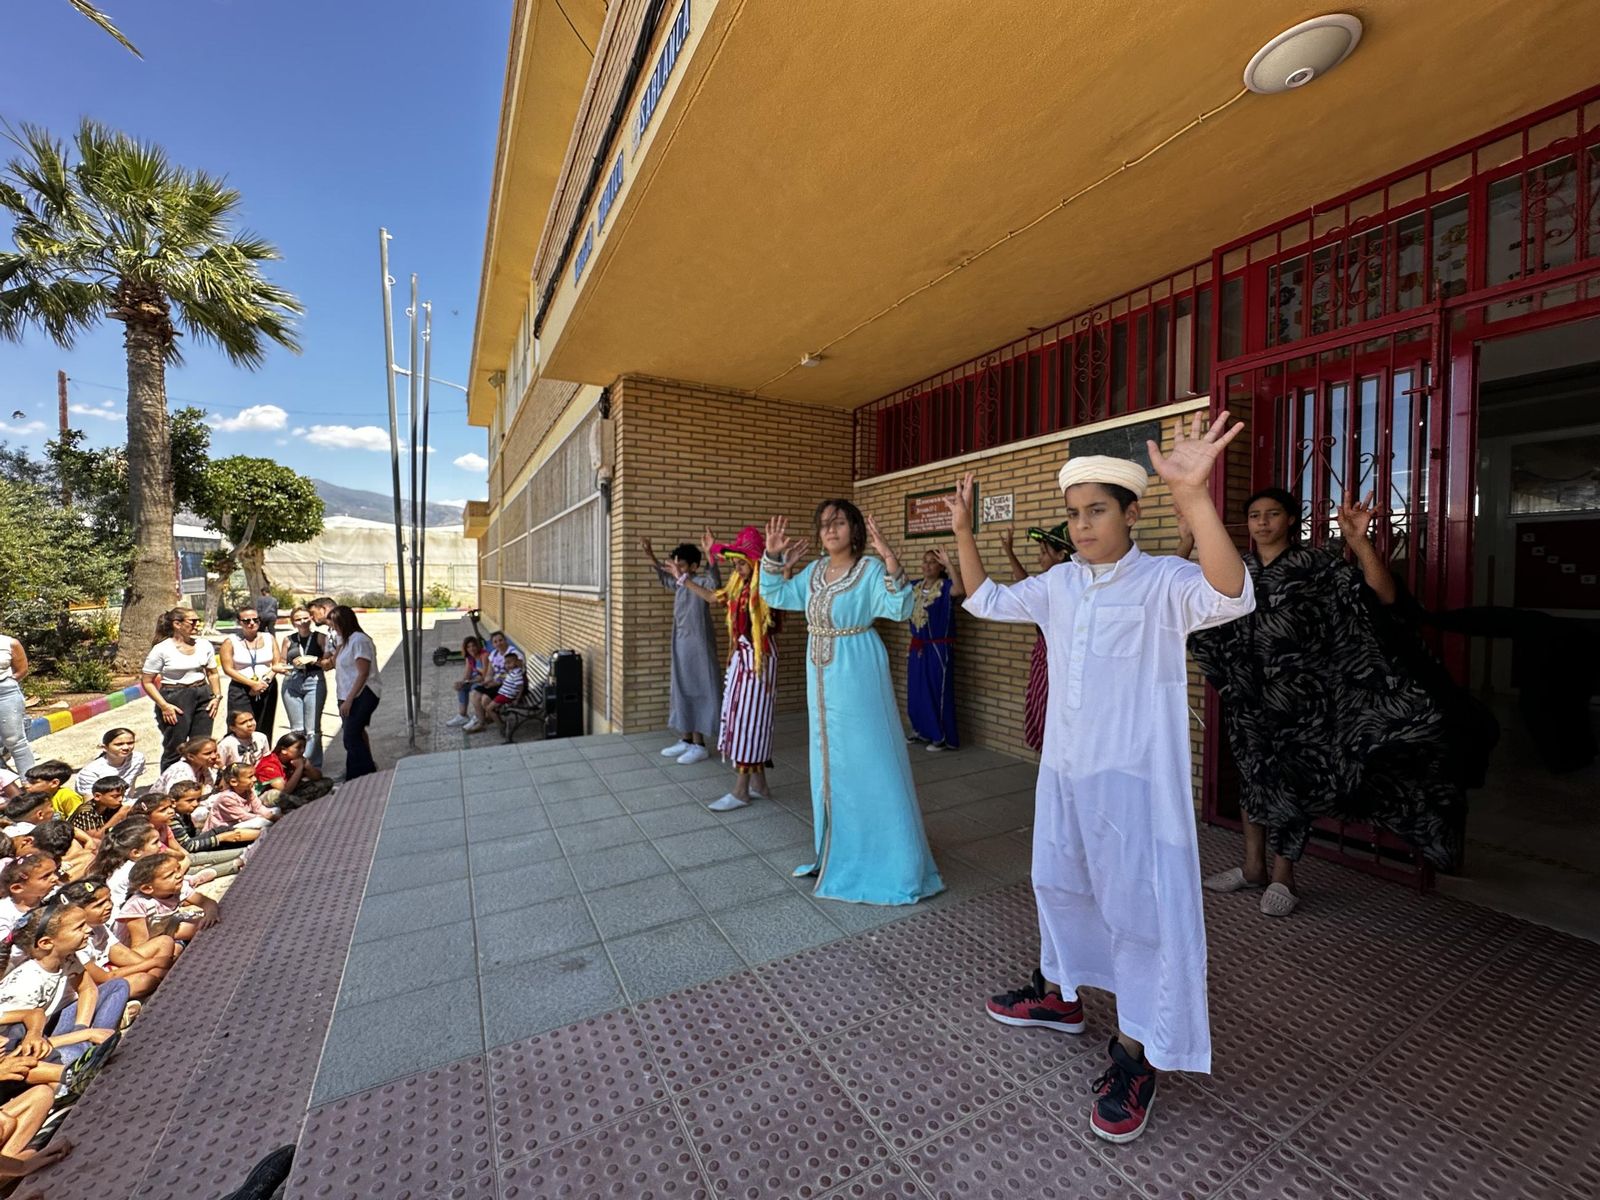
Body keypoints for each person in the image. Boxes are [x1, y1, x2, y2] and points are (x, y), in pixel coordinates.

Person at [951, 412, 1255, 1145]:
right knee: (1059, 883)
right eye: (1073, 512)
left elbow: (1233, 592)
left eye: (1096, 511)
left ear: (1131, 513)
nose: (1082, 525)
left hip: (1134, 785)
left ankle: (1138, 1052)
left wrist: (1196, 499)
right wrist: (962, 531)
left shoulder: (1163, 581)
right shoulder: (1059, 584)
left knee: (1140, 915)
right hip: (1064, 776)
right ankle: (1063, 994)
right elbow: (985, 600)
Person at [1190, 488, 1468, 915]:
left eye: (1272, 514)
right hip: (1248, 696)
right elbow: (1185, 606)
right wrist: (1186, 538)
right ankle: (1251, 868)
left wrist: (1359, 543)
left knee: (1294, 780)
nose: (1262, 522)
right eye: (1255, 515)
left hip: (1304, 698)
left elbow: (1382, 597)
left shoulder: (1316, 566)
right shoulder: (1236, 568)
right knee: (1252, 776)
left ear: (1290, 519)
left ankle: (1283, 876)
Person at [760, 500, 944, 906]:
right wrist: (772, 556)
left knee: (870, 758)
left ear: (854, 528)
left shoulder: (869, 570)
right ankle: (837, 852)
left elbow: (899, 607)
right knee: (829, 761)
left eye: (839, 522)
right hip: (820, 677)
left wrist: (891, 559)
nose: (831, 530)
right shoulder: (812, 573)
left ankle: (892, 860)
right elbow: (774, 594)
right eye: (824, 524)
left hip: (858, 667)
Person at [676, 527, 781, 812]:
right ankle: (759, 785)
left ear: (757, 561)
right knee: (739, 719)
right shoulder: (737, 586)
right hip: (740, 660)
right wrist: (685, 579)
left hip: (759, 662)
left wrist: (777, 562)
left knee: (749, 721)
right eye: (734, 561)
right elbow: (712, 598)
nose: (737, 566)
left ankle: (741, 790)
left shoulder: (767, 585)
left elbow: (778, 586)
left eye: (742, 561)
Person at [0, 902, 128, 1070]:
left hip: (54, 1027)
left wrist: (80, 1028)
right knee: (72, 1054)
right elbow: (21, 1047)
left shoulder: (67, 957)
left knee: (117, 986)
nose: (89, 929)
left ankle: (96, 1045)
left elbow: (87, 989)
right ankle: (90, 1050)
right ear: (46, 943)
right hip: (38, 1045)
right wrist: (85, 1034)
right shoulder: (26, 983)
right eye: (79, 927)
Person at [641, 538, 723, 764]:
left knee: (697, 688)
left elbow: (716, 584)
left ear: (694, 567)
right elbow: (665, 577)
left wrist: (710, 556)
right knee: (682, 687)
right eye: (675, 566)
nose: (677, 571)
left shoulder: (701, 581)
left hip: (699, 645)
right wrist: (651, 556)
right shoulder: (678, 582)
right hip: (680, 642)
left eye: (682, 566)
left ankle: (699, 744)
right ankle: (686, 739)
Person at [998, 523, 1074, 753]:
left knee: (1055, 716)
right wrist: (1009, 552)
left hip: (1061, 662)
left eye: (1044, 552)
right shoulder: (1049, 584)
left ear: (1061, 555)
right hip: (1044, 658)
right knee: (1043, 710)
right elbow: (1025, 586)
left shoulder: (1069, 587)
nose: (1040, 558)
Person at [50, 879, 176, 999]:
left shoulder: (98, 925)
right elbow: (102, 978)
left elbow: (121, 953)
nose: (109, 906)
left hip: (111, 969)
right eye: (99, 905)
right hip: (95, 986)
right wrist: (154, 963)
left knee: (164, 942)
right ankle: (156, 985)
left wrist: (151, 966)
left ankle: (157, 982)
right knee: (144, 981)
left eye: (109, 899)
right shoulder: (73, 943)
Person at [141, 607, 222, 771]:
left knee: (202, 744)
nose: (197, 625)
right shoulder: (162, 649)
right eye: (192, 621)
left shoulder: (204, 645)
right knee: (175, 746)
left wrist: (217, 696)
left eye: (198, 621)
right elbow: (147, 681)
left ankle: (199, 782)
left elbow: (212, 673)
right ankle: (170, 785)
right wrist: (164, 705)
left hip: (202, 694)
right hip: (175, 697)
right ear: (177, 624)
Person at [906, 547, 965, 752]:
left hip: (938, 648)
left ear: (940, 566)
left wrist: (950, 563)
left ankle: (939, 735)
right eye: (925, 561)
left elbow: (961, 590)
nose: (927, 565)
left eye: (932, 562)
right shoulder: (914, 586)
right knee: (916, 689)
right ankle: (920, 730)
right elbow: (894, 586)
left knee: (935, 690)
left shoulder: (946, 586)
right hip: (917, 646)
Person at [115, 852, 219, 948]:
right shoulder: (138, 905)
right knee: (171, 952)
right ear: (147, 888)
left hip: (165, 927)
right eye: (170, 875)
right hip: (139, 942)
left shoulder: (179, 888)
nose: (179, 875)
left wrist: (211, 914)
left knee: (209, 928)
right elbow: (139, 944)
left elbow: (206, 902)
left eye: (178, 869)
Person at [329, 606, 381, 779]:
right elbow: (334, 662)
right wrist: (338, 641)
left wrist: (350, 700)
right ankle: (363, 769)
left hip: (362, 694)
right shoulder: (345, 641)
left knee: (350, 737)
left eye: (335, 625)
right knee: (355, 734)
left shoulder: (359, 640)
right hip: (345, 693)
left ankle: (360, 773)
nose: (333, 629)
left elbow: (363, 672)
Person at [168, 780, 259, 872]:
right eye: (190, 800)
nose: (195, 804)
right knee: (220, 833)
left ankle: (259, 837)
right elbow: (187, 846)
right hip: (185, 851)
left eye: (198, 800)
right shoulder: (172, 819)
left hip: (191, 845)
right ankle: (260, 837)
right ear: (174, 802)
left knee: (223, 835)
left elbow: (194, 834)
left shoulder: (184, 813)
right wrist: (220, 838)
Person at [220, 606, 282, 738]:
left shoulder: (269, 638)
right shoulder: (230, 642)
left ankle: (262, 756)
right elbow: (228, 669)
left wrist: (263, 682)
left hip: (267, 686)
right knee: (241, 725)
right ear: (239, 622)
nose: (252, 623)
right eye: (246, 621)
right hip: (240, 688)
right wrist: (251, 684)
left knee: (264, 725)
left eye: (255, 620)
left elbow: (276, 664)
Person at [280, 607, 330, 768]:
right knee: (297, 729)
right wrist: (286, 667)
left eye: (305, 618)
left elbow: (328, 663)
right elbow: (281, 662)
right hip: (292, 681)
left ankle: (313, 765)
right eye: (298, 619)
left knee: (312, 729)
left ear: (311, 618)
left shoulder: (320, 637)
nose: (302, 622)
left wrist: (312, 659)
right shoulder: (288, 639)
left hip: (313, 681)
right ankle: (297, 765)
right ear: (293, 622)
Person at [253, 732, 334, 810]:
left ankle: (298, 804)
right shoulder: (269, 764)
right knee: (275, 795)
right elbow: (284, 790)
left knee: (326, 782)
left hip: (291, 793)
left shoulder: (294, 760)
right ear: (284, 750)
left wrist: (308, 767)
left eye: (303, 747)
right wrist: (299, 768)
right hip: (265, 798)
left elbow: (317, 777)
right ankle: (306, 805)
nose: (302, 751)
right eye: (298, 748)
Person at [462, 630, 517, 734]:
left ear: (505, 640)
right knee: (474, 694)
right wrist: (487, 680)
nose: (498, 643)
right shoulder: (494, 654)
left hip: (510, 684)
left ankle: (501, 725)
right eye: (495, 642)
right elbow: (490, 672)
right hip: (496, 683)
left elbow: (515, 674)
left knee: (485, 699)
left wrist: (496, 682)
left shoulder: (512, 653)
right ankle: (481, 722)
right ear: (493, 644)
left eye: (501, 640)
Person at [72, 728, 146, 797]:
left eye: (130, 743)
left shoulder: (137, 759)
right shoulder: (90, 772)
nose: (126, 747)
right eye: (119, 744)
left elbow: (132, 784)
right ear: (105, 748)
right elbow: (90, 803)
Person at [203, 763, 278, 831]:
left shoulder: (249, 790)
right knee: (261, 821)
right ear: (234, 782)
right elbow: (244, 817)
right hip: (222, 831)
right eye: (250, 777)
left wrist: (271, 816)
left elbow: (258, 807)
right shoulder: (227, 798)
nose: (255, 779)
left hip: (241, 823)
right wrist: (269, 818)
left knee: (276, 810)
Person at [0, 631, 35, 775]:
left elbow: (22, 670)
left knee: (15, 741)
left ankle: (30, 784)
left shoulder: (9, 643)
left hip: (5, 694)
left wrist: (9, 682)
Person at [445, 636, 488, 728]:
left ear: (477, 646)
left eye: (473, 646)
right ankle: (462, 715)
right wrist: (462, 682)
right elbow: (467, 673)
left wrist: (471, 681)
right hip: (475, 678)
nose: (471, 648)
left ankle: (478, 716)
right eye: (468, 647)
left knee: (474, 689)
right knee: (461, 688)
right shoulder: (469, 658)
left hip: (485, 680)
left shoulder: (484, 655)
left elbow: (485, 674)